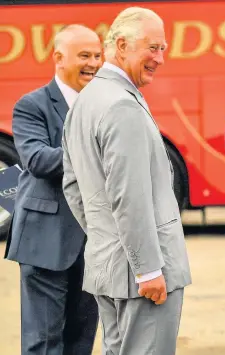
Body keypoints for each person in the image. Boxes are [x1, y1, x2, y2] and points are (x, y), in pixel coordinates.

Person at [61, 7, 192, 354]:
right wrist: (147, 268)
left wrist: (107, 236)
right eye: (153, 47)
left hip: (109, 267)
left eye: (163, 49)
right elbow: (129, 197)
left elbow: (73, 187)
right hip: (142, 277)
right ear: (121, 45)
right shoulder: (121, 105)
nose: (160, 58)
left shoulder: (84, 102)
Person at [3, 24, 101, 355]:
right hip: (45, 240)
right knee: (43, 344)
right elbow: (39, 160)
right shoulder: (31, 105)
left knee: (81, 343)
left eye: (98, 56)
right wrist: (97, 152)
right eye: (84, 56)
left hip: (95, 245)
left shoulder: (105, 104)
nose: (94, 63)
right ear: (58, 58)